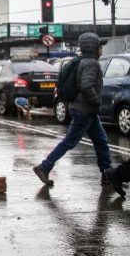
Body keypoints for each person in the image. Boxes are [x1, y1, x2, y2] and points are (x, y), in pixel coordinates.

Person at [33, 32, 113, 186]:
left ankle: (107, 174)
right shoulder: (91, 64)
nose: (101, 50)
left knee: (101, 141)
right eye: (99, 47)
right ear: (93, 48)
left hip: (84, 109)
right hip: (85, 110)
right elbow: (86, 86)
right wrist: (96, 102)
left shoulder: (81, 61)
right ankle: (44, 167)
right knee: (70, 141)